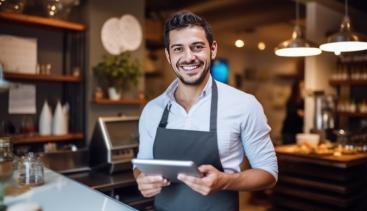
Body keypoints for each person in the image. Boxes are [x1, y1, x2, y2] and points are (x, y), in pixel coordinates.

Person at [134, 11, 278, 211]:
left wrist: (226, 181)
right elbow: (142, 164)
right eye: (178, 49)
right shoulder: (152, 110)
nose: (189, 57)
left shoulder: (245, 105)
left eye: (197, 47)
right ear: (168, 55)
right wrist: (142, 179)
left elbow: (268, 173)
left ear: (213, 49)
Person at [281, 80, 305, 145]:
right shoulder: (291, 101)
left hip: (298, 132)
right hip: (289, 132)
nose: (304, 89)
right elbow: (292, 111)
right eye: (302, 87)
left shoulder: (303, 101)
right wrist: (298, 112)